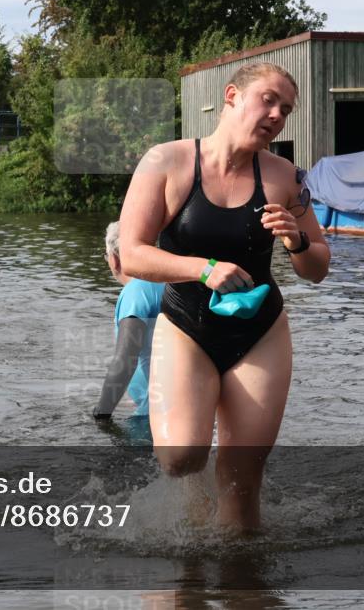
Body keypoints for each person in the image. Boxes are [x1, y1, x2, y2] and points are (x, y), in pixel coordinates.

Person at [118, 61, 330, 532]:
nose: (277, 115)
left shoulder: (287, 178)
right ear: (232, 96)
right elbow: (131, 255)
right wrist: (203, 269)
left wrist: (297, 240)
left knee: (241, 480)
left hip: (260, 331)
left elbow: (317, 268)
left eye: (287, 110)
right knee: (180, 458)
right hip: (186, 327)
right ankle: (193, 515)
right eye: (269, 100)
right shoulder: (165, 161)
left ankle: (242, 586)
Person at [92, 221, 164, 420]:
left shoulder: (135, 292)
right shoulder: (172, 281)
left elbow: (125, 359)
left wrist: (101, 413)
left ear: (114, 259)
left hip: (155, 414)